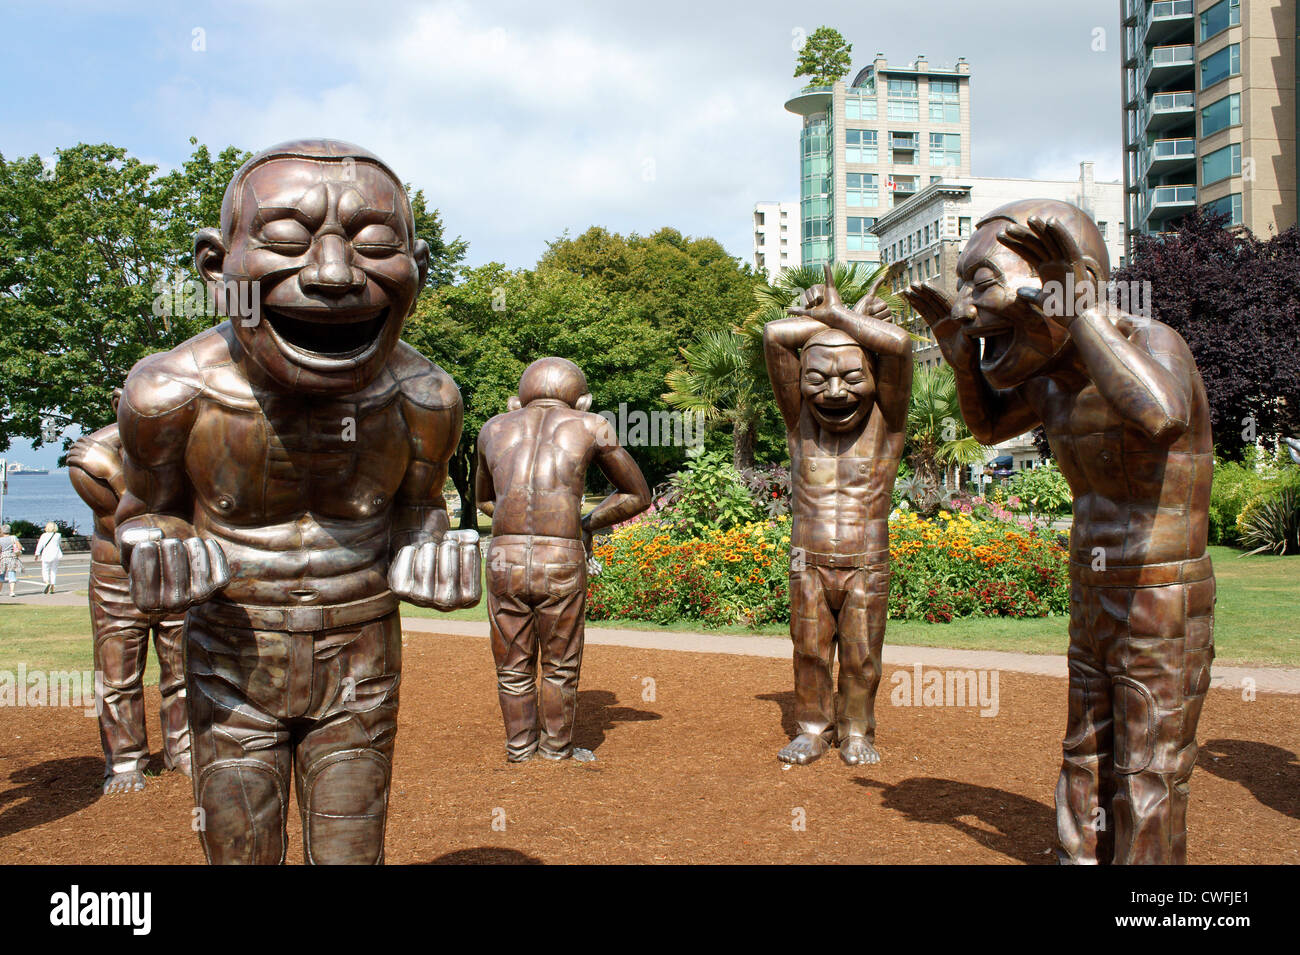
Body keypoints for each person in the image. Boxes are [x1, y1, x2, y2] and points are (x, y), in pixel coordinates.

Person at [115, 139, 480, 865]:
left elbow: (419, 506)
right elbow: (143, 510)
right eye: (285, 239)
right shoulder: (169, 394)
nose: (334, 274)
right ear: (218, 268)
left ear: (419, 269)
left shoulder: (425, 398)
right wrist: (155, 543)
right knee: (240, 852)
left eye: (375, 244)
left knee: (352, 852)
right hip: (231, 655)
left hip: (362, 657)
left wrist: (431, 544)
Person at [903, 199, 1214, 865]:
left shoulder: (1152, 344)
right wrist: (961, 358)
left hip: (1159, 591)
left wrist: (1079, 306)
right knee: (1086, 744)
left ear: (1053, 278)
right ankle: (1081, 857)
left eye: (981, 284)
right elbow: (988, 427)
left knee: (1150, 761)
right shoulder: (1050, 383)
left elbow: (1161, 415)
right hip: (1092, 585)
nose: (965, 307)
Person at [762, 265, 913, 766]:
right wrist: (831, 320)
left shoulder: (886, 426)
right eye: (817, 379)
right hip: (807, 558)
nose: (834, 393)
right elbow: (775, 335)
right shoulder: (799, 422)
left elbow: (900, 347)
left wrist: (838, 317)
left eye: (852, 377)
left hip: (866, 558)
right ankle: (811, 728)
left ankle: (856, 733)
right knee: (808, 650)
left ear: (873, 379)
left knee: (862, 657)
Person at [476, 358, 651, 761]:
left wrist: (515, 522)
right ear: (584, 402)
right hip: (560, 556)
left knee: (512, 664)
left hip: (505, 557)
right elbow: (637, 495)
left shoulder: (493, 428)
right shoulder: (592, 426)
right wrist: (586, 522)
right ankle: (555, 749)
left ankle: (519, 749)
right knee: (559, 663)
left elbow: (484, 498)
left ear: (516, 400)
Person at [68, 403, 190, 793]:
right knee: (118, 676)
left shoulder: (189, 442)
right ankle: (124, 762)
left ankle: (183, 749)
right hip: (116, 578)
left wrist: (117, 478)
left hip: (174, 570)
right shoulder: (89, 453)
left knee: (185, 670)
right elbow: (123, 523)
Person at [34, 522, 62, 594]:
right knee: (54, 571)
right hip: (56, 554)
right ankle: (53, 585)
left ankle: (47, 582)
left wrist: (37, 554)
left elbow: (40, 545)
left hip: (46, 554)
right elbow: (59, 544)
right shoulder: (58, 535)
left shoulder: (43, 535)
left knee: (45, 570)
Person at [0, 525, 22, 598]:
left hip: (3, 558)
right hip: (12, 557)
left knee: (1, 575)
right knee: (12, 574)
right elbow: (19, 547)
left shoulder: (0, 539)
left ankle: (0, 591)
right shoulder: (13, 537)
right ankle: (12, 591)